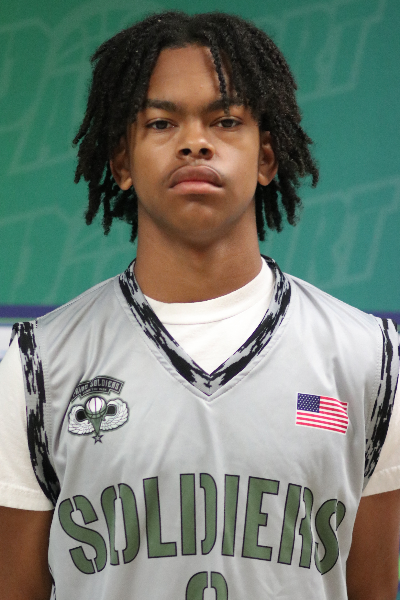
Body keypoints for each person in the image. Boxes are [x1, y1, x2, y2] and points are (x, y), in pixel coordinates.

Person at [0, 11, 399, 600]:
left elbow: (370, 588)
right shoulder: (37, 363)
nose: (195, 142)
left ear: (266, 158)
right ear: (122, 163)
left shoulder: (369, 356)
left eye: (226, 120)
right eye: (162, 123)